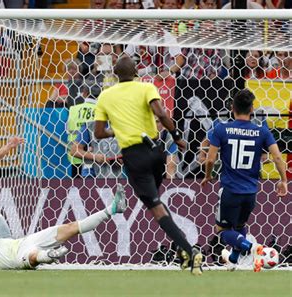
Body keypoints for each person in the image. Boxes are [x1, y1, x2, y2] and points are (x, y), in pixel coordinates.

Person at [93, 55, 203, 275]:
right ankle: (181, 250)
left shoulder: (105, 96)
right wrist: (177, 136)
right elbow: (161, 113)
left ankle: (190, 251)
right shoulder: (146, 87)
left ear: (115, 75)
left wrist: (118, 129)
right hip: (156, 152)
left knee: (155, 208)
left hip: (135, 157)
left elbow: (98, 133)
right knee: (157, 202)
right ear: (136, 73)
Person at [201, 89, 288, 272]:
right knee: (240, 225)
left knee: (222, 231)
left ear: (232, 108)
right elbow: (278, 157)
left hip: (230, 190)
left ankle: (252, 248)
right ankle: (233, 260)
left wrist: (208, 175)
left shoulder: (221, 129)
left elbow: (210, 159)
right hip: (250, 192)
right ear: (252, 109)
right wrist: (283, 180)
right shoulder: (261, 131)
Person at [0, 184, 127, 270]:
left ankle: (112, 208)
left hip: (29, 241)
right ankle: (49, 256)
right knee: (33, 257)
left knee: (70, 227)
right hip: (17, 258)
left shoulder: (3, 239)